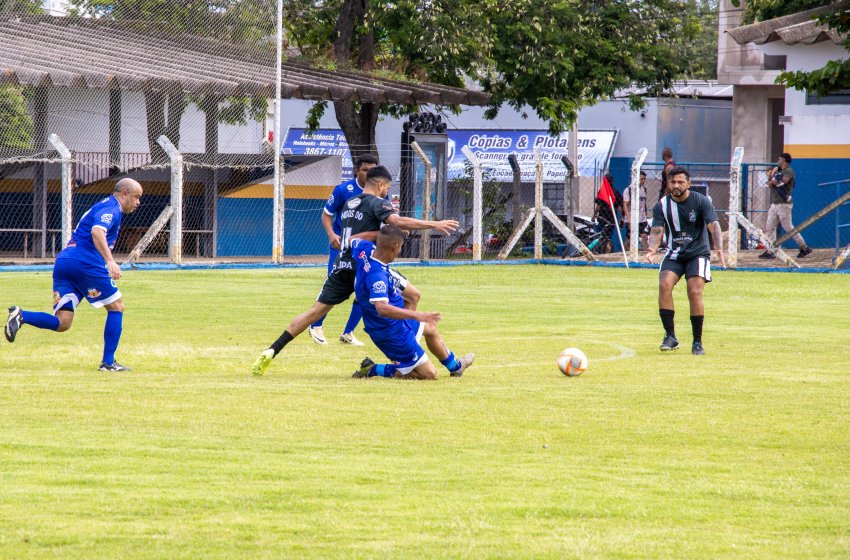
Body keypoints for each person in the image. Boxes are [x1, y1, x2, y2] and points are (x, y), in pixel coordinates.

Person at [251, 166, 459, 376]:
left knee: (314, 312)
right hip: (366, 265)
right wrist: (434, 224)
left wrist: (378, 233)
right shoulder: (378, 202)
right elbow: (395, 221)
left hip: (343, 264)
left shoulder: (350, 203)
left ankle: (272, 349)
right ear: (380, 185)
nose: (387, 191)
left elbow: (352, 235)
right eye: (387, 187)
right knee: (411, 295)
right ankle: (405, 356)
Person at [5, 178, 144, 371]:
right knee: (116, 307)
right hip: (85, 263)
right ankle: (108, 363)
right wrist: (111, 261)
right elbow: (97, 232)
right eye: (137, 197)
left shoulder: (103, 205)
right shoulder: (111, 208)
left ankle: (21, 316)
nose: (138, 202)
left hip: (64, 262)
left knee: (63, 322)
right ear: (124, 194)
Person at [351, 225, 474, 380]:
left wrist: (383, 234)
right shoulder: (377, 277)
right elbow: (382, 308)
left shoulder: (364, 250)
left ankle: (455, 367)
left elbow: (351, 240)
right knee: (429, 374)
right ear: (394, 246)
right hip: (391, 331)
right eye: (400, 247)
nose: (400, 251)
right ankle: (374, 369)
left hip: (394, 323)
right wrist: (418, 315)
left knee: (430, 329)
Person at [646, 167, 726, 356]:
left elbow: (713, 225)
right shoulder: (662, 205)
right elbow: (657, 231)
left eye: (680, 182)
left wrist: (719, 248)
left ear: (688, 184)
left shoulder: (701, 201)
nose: (676, 185)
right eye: (673, 182)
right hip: (675, 254)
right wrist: (652, 249)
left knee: (694, 291)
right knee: (664, 284)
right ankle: (670, 336)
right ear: (668, 183)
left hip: (698, 254)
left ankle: (697, 342)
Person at [309, 154, 379, 346]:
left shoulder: (380, 191)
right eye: (365, 170)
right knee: (334, 285)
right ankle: (316, 325)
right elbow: (326, 215)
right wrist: (332, 235)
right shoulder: (344, 190)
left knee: (364, 287)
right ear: (356, 171)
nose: (370, 173)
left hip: (365, 249)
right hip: (342, 248)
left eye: (373, 169)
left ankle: (348, 332)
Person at [759, 152, 812, 259]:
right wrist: (773, 177)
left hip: (784, 204)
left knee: (788, 227)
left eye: (779, 159)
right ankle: (771, 251)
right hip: (775, 203)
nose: (778, 161)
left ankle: (805, 248)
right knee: (769, 227)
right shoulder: (778, 171)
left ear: (784, 160)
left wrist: (774, 177)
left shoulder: (788, 171)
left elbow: (784, 180)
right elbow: (770, 183)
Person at [592, 173, 623, 254]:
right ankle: (606, 251)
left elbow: (598, 206)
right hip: (612, 218)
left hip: (602, 217)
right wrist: (621, 217)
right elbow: (619, 207)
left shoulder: (602, 192)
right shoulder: (616, 192)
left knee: (600, 235)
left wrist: (594, 215)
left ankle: (601, 250)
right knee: (608, 236)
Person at [623, 170, 649, 249]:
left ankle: (644, 256)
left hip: (642, 218)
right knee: (629, 239)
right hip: (632, 218)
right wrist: (629, 217)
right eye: (641, 179)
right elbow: (625, 204)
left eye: (644, 179)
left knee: (644, 237)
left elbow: (644, 203)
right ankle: (625, 255)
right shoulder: (629, 190)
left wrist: (646, 214)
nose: (643, 181)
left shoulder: (644, 189)